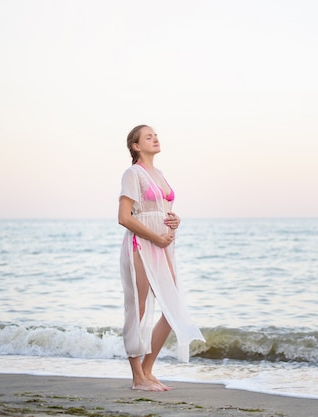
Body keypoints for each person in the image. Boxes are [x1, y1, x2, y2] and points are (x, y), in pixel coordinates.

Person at [118, 124, 204, 391]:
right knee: (139, 309)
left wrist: (175, 220)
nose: (155, 138)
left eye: (156, 135)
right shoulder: (133, 173)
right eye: (148, 136)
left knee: (173, 308)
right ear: (135, 146)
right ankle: (137, 378)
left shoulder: (161, 174)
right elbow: (124, 217)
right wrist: (155, 237)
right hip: (141, 245)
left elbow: (163, 210)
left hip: (165, 246)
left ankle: (147, 369)